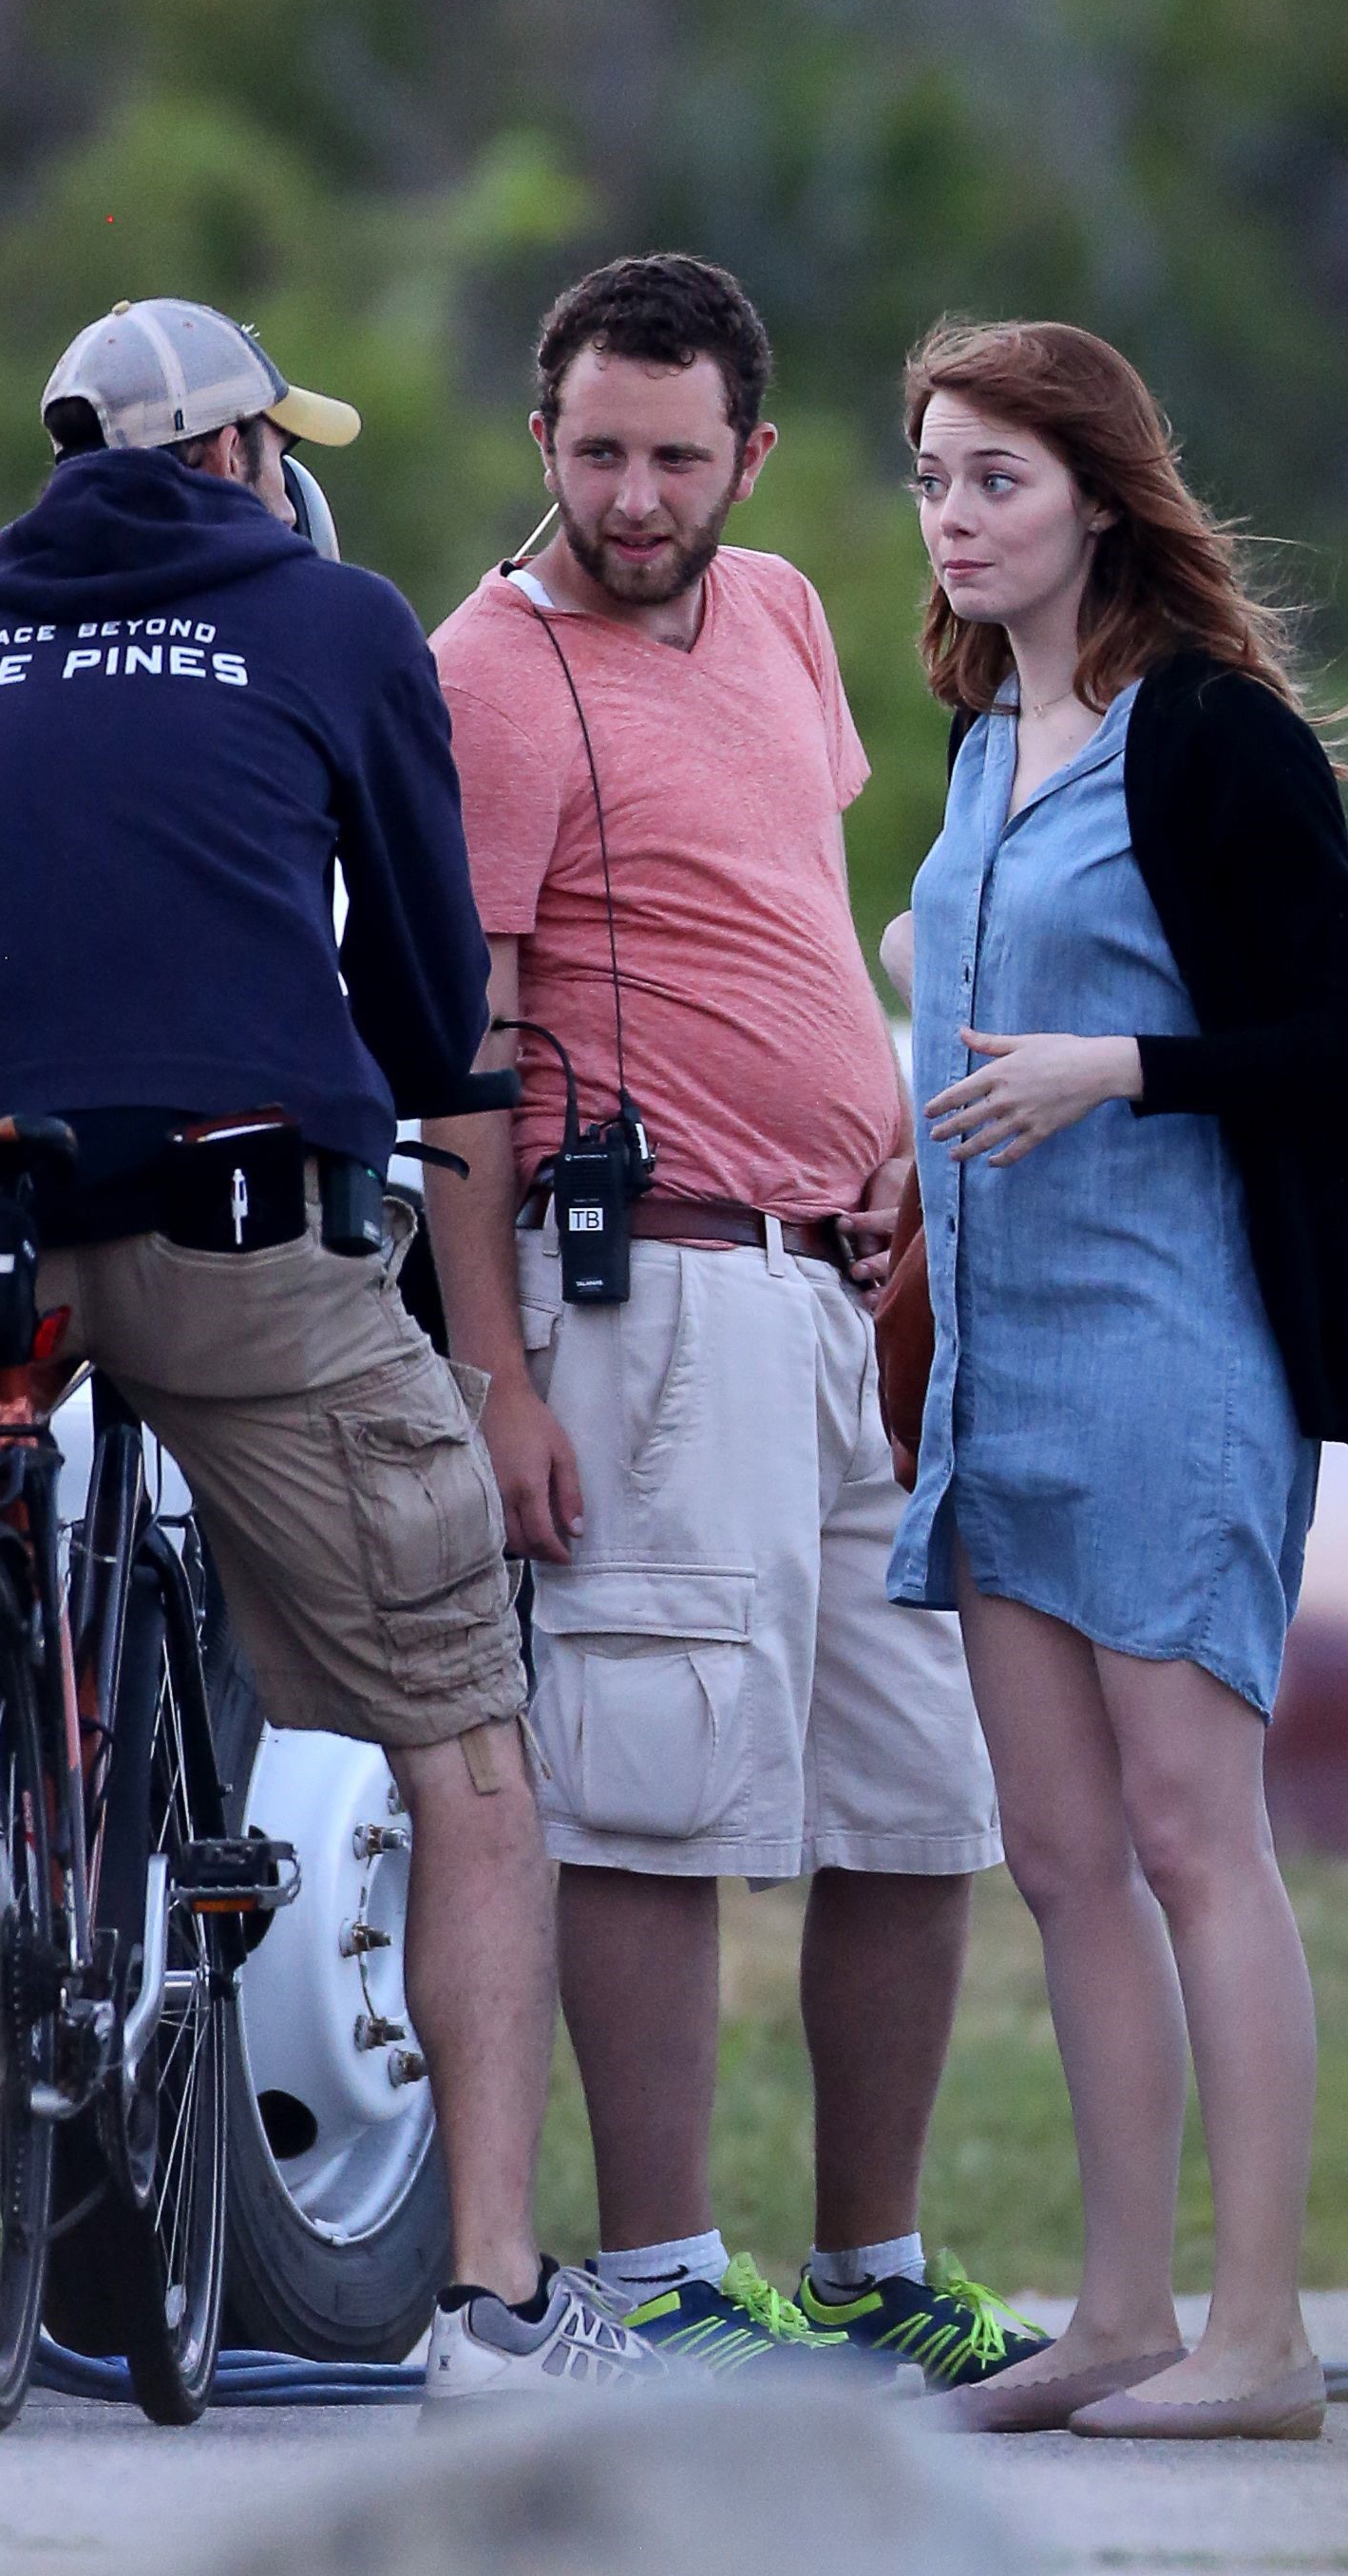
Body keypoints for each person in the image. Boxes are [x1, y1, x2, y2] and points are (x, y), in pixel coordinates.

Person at [0, 297, 653, 2423]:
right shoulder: (335, 621)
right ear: (224, 461)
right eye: (274, 447)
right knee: (465, 1738)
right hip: (234, 1237)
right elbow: (435, 987)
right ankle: (484, 2304)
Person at [425, 254, 1047, 2391]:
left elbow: (793, 905)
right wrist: (494, 1372)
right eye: (594, 452)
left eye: (675, 458)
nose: (632, 496)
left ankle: (874, 2262)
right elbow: (464, 1057)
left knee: (918, 1777)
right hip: (651, 1290)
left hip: (851, 1281)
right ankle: (665, 2265)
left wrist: (893, 1137)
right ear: (543, 444)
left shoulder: (780, 609)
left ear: (750, 458)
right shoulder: (490, 674)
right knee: (651, 1769)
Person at [891, 318, 1348, 2442]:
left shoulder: (1208, 737)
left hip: (1176, 1352)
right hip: (999, 1366)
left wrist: (1126, 1065)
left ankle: (1260, 2339)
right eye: (932, 478)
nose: (956, 515)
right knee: (1053, 1846)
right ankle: (1118, 2320)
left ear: (1100, 493)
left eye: (998, 477)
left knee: (1198, 1832)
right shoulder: (966, 743)